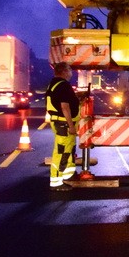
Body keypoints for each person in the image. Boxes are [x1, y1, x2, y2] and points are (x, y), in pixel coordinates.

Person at [46, 62, 81, 191]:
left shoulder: (54, 83)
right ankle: (55, 181)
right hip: (64, 123)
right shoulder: (63, 85)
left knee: (69, 149)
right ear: (64, 71)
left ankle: (68, 174)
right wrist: (71, 125)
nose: (72, 73)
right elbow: (64, 107)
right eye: (70, 70)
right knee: (61, 152)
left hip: (60, 122)